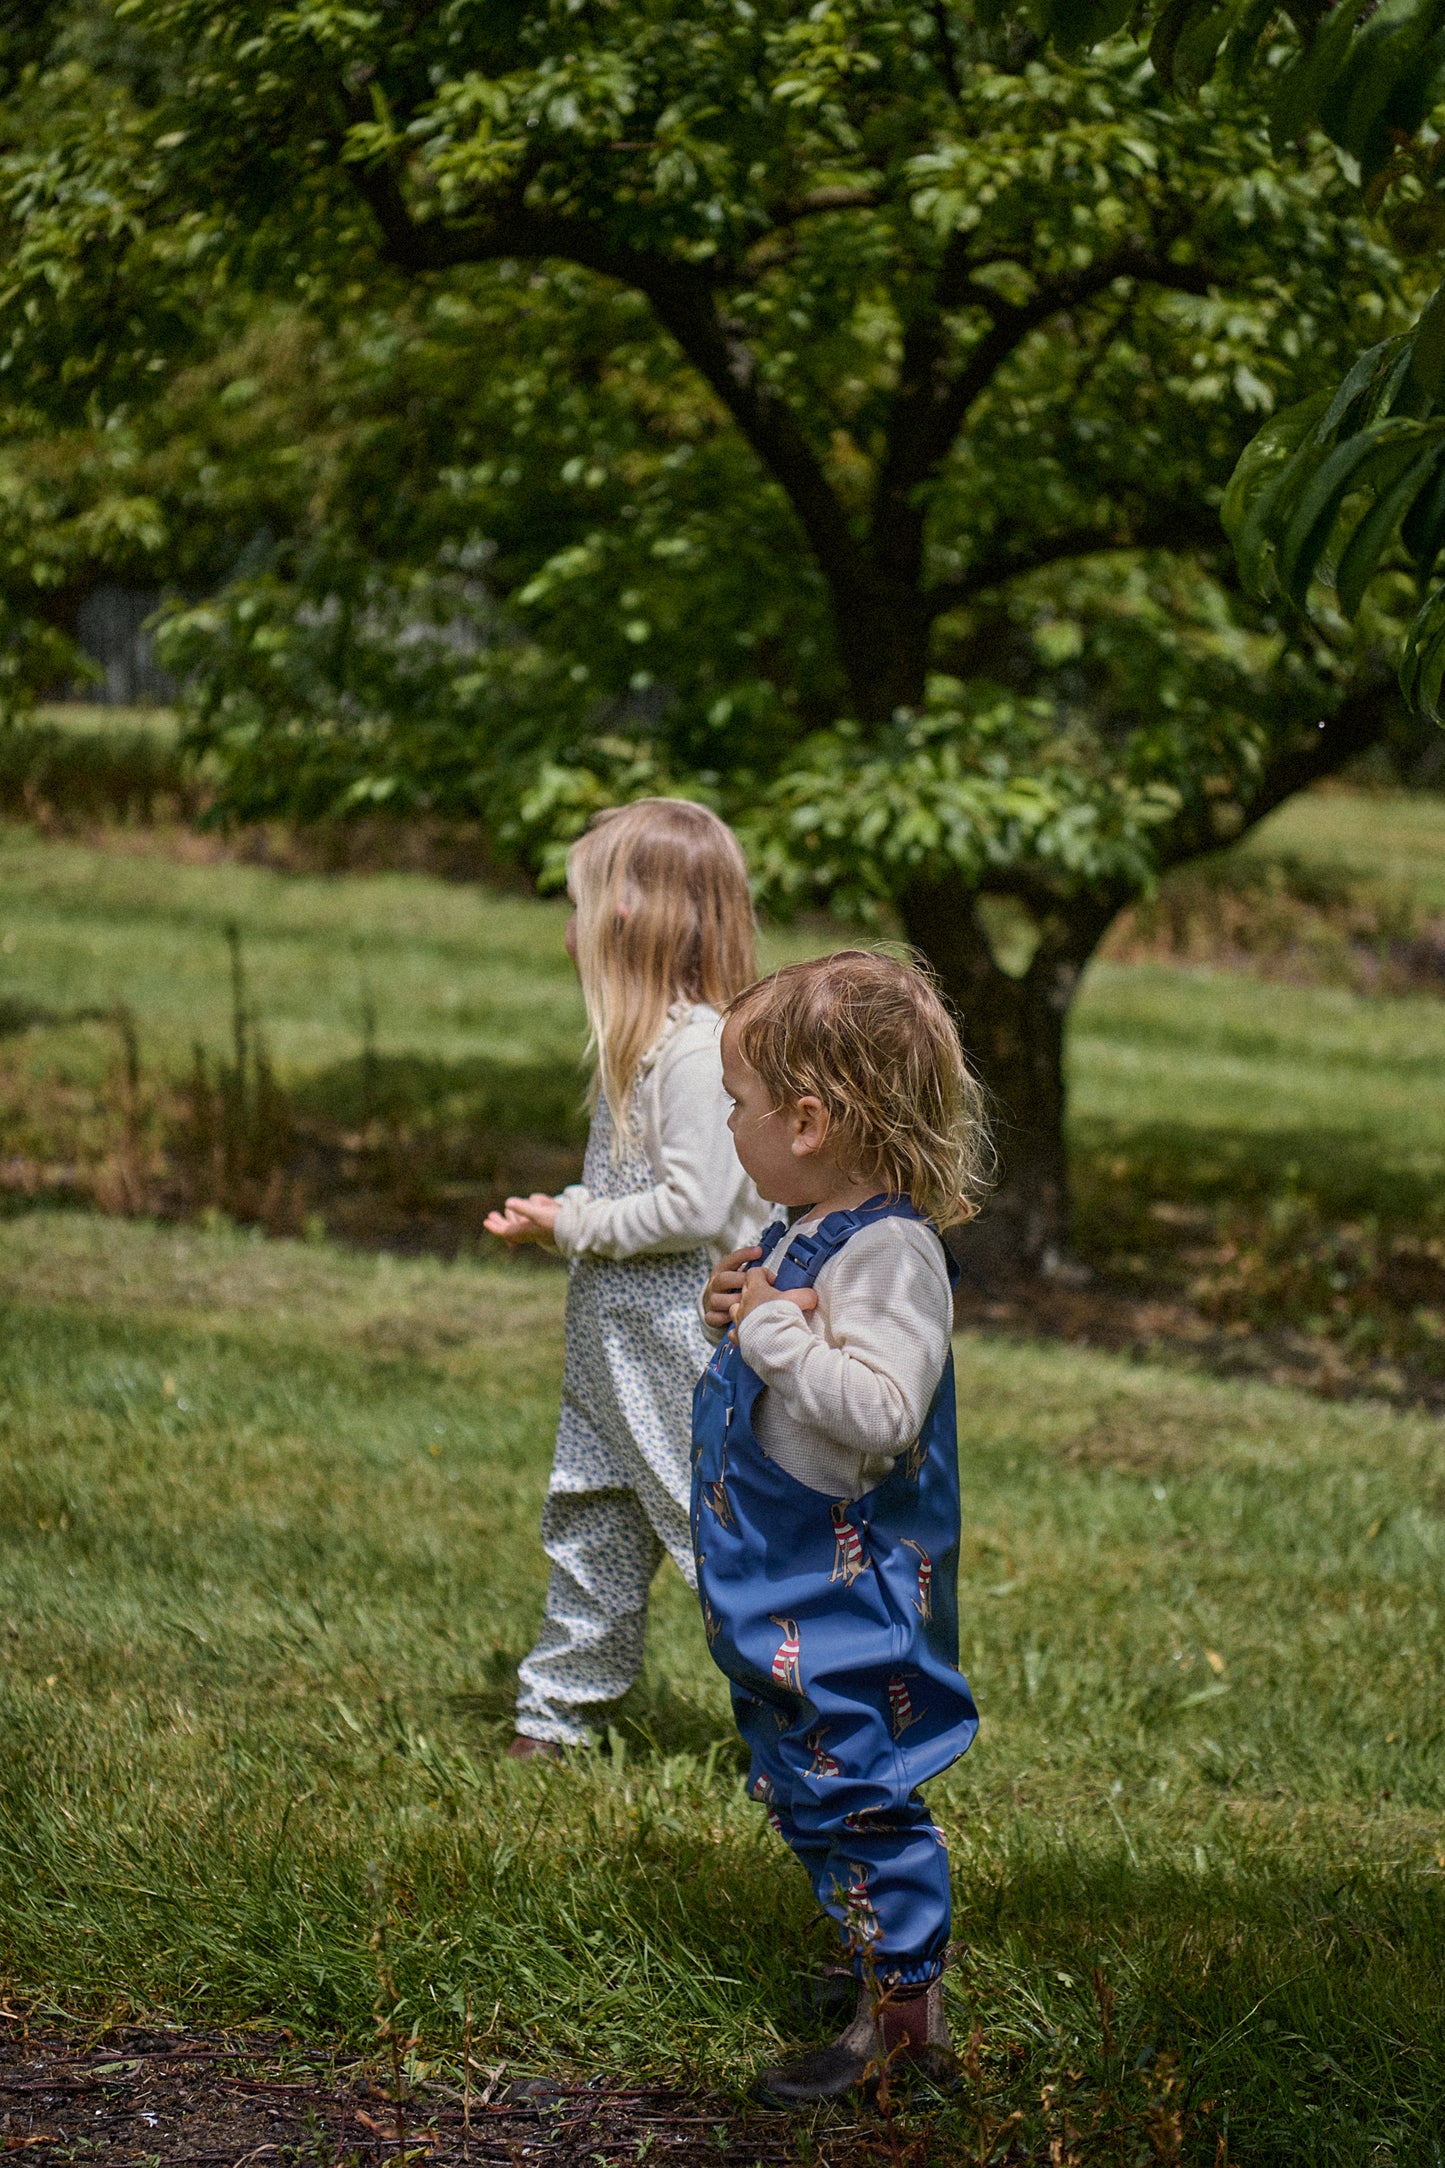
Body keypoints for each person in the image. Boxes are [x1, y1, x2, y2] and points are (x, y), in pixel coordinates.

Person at [693, 949, 990, 2106]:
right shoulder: (809, 1221)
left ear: (808, 1119)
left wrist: (769, 1331)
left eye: (737, 1103)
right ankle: (870, 1951)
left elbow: (874, 1412)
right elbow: (782, 1355)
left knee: (854, 1784)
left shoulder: (893, 1255)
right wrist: (733, 1305)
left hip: (846, 1594)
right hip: (782, 1583)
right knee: (802, 1774)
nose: (728, 1122)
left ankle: (906, 2022)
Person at [485, 799, 767, 1759]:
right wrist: (563, 1211)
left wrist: (575, 1224)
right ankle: (557, 1715)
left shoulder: (696, 1052)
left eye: (578, 904)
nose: (565, 929)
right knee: (591, 1514)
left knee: (711, 1535)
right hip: (612, 1348)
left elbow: (690, 1210)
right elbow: (636, 1188)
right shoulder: (639, 1047)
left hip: (681, 1345)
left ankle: (817, 1718)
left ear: (628, 920)